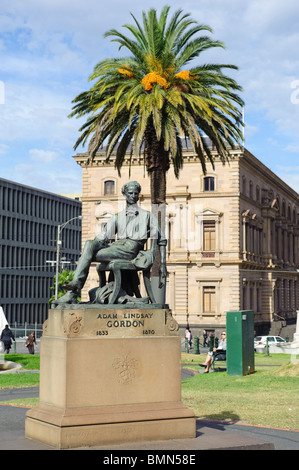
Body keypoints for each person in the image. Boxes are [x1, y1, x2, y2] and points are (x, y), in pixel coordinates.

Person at [54, 181, 167, 304]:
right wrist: (93, 245)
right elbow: (102, 237)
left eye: (136, 193)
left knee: (89, 251)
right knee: (89, 244)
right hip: (117, 247)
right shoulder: (117, 217)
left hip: (131, 249)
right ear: (125, 194)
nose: (133, 196)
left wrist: (162, 264)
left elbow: (161, 240)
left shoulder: (147, 215)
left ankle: (73, 292)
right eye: (130, 193)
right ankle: (74, 288)